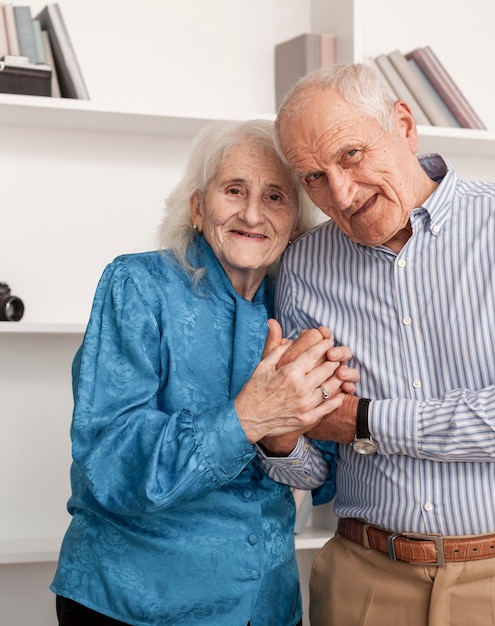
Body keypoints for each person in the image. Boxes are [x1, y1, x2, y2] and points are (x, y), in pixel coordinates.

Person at [262, 63, 495, 626]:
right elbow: (314, 466)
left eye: (350, 155)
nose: (339, 193)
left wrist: (366, 421)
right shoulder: (303, 266)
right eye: (314, 177)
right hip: (364, 581)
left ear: (404, 126)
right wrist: (278, 437)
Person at [50, 119, 358, 626]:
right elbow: (111, 459)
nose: (253, 213)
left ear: (296, 221)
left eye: (276, 196)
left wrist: (283, 443)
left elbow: (321, 468)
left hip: (265, 604)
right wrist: (246, 419)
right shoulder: (137, 285)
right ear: (197, 207)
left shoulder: (301, 306)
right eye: (234, 190)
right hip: (137, 603)